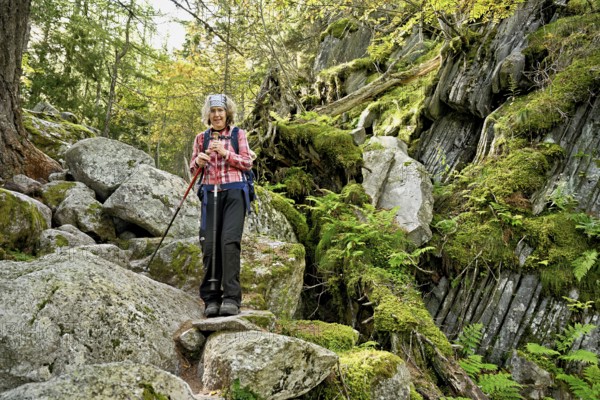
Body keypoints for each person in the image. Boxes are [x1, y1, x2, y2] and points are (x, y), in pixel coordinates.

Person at [189, 94, 253, 317]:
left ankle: (231, 298)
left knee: (229, 242)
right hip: (209, 192)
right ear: (208, 114)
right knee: (209, 244)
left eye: (221, 111)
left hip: (234, 192)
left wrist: (225, 153)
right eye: (213, 111)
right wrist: (199, 161)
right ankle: (211, 298)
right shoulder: (201, 138)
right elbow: (192, 168)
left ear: (228, 113)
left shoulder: (238, 135)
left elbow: (247, 162)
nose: (217, 115)